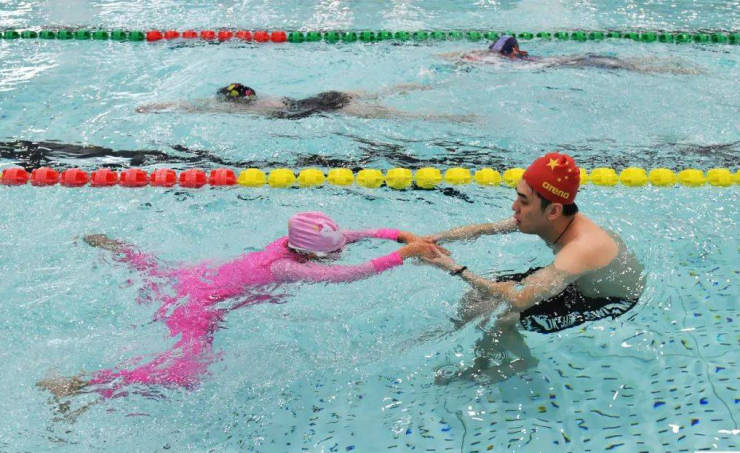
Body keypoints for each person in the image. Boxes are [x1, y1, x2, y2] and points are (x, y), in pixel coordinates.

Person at [37, 212, 443, 399]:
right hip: (198, 306)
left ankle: (119, 250)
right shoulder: (285, 268)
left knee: (154, 272)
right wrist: (402, 256)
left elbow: (353, 234)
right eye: (332, 252)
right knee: (186, 374)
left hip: (198, 277)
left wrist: (399, 235)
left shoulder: (290, 243)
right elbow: (347, 275)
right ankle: (78, 385)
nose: (340, 253)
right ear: (310, 253)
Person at [424, 152, 645, 384]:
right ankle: (481, 361)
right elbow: (485, 229)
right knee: (476, 299)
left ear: (553, 211)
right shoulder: (548, 218)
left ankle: (524, 361)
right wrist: (435, 238)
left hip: (606, 299)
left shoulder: (581, 249)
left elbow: (519, 298)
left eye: (524, 200)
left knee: (503, 315)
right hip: (575, 277)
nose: (514, 206)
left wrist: (455, 268)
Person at [135, 82, 477, 122]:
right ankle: (423, 84)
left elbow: (195, 106)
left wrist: (157, 107)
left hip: (322, 108)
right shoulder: (266, 98)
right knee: (383, 93)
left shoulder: (247, 107)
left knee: (398, 116)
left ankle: (456, 119)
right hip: (324, 96)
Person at [439, 35, 702, 74]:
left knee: (633, 68)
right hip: (579, 59)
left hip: (579, 63)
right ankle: (666, 66)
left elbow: (475, 58)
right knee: (630, 65)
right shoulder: (516, 57)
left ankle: (668, 68)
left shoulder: (514, 61)